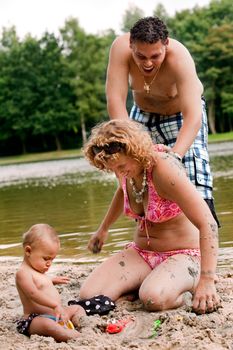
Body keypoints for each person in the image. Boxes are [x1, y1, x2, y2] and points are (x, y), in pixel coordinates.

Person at [79, 119, 220, 315]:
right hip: (142, 253)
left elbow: (208, 223)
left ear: (135, 151)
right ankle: (149, 281)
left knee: (154, 298)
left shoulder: (163, 168)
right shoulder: (125, 169)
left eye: (121, 166)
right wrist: (103, 229)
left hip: (184, 254)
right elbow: (122, 192)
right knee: (90, 295)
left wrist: (207, 279)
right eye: (112, 169)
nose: (118, 173)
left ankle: (182, 286)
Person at [105, 16, 219, 226]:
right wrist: (130, 144)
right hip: (141, 115)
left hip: (180, 116)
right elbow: (115, 101)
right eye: (141, 56)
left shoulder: (179, 58)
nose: (147, 63)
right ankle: (150, 237)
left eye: (155, 56)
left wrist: (175, 156)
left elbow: (193, 116)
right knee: (133, 174)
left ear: (166, 45)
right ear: (131, 45)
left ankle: (204, 238)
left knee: (191, 179)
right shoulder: (120, 49)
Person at [16, 223, 86, 342]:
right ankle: (72, 335)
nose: (49, 263)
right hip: (36, 318)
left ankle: (84, 325)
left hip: (57, 315)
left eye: (52, 259)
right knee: (48, 326)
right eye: (46, 258)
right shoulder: (23, 273)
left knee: (77, 308)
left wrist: (51, 280)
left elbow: (40, 284)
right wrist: (54, 305)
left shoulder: (37, 269)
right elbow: (33, 293)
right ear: (28, 251)